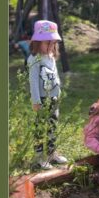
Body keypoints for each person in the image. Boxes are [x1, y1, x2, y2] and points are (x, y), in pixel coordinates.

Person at [27, 20, 68, 170]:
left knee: (52, 126)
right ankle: (39, 157)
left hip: (54, 98)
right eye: (47, 43)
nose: (50, 46)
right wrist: (36, 101)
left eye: (53, 43)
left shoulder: (50, 56)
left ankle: (51, 153)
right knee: (40, 127)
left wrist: (59, 94)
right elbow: (33, 81)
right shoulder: (34, 59)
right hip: (42, 100)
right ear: (37, 42)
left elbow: (55, 76)